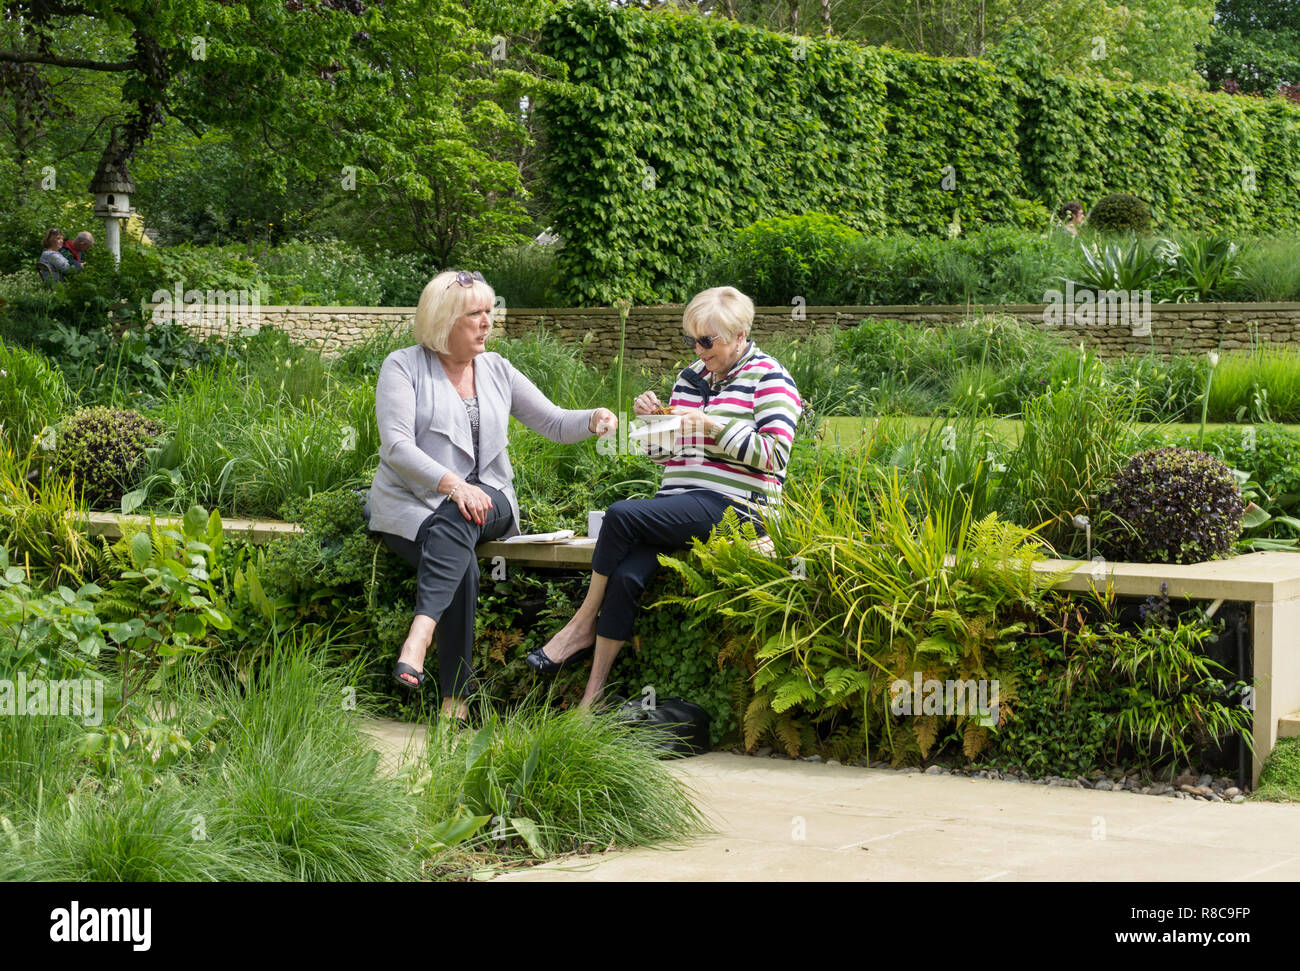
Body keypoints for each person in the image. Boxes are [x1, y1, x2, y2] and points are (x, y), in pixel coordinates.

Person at [529, 285, 802, 707]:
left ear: (739, 334)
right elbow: (667, 457)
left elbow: (773, 455)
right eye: (692, 339)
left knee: (620, 514)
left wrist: (710, 425)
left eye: (706, 341)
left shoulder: (769, 378)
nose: (698, 348)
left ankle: (581, 624)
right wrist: (651, 422)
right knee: (625, 577)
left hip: (740, 507)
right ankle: (590, 702)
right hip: (681, 505)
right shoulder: (690, 377)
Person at [366, 269, 617, 723]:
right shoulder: (402, 366)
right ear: (443, 321)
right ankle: (454, 704)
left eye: (489, 312)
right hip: (412, 505)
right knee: (458, 560)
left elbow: (554, 421)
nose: (487, 322)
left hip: (489, 499)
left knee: (464, 512)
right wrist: (451, 484)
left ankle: (418, 637)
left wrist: (594, 416)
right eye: (475, 314)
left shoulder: (496, 368)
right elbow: (397, 448)